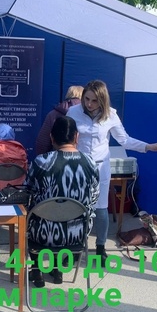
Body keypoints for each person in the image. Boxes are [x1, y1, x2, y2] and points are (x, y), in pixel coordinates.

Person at [66, 80, 157, 265]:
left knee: (101, 209)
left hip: (100, 167)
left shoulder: (111, 115)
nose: (89, 104)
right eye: (86, 99)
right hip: (78, 167)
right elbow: (67, 139)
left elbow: (125, 140)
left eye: (94, 101)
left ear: (103, 101)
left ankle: (100, 248)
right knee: (76, 209)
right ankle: (74, 248)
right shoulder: (73, 112)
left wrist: (148, 146)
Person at [25, 116, 99, 287]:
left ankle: (36, 270)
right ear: (76, 137)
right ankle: (57, 268)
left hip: (43, 233)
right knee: (67, 214)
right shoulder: (90, 162)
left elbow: (28, 192)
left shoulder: (41, 162)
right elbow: (94, 198)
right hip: (77, 233)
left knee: (32, 216)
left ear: (52, 138)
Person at [35, 85, 83, 155]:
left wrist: (44, 157)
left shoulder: (53, 114)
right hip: (81, 157)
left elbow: (42, 142)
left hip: (57, 157)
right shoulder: (86, 115)